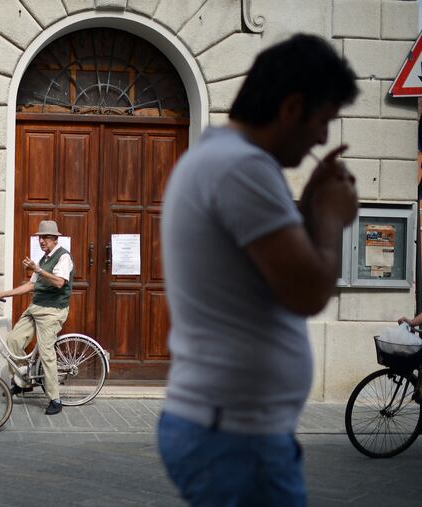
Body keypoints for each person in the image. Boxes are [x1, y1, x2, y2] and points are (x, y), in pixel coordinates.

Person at [158, 34, 359, 506]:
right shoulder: (241, 168)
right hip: (236, 438)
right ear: (292, 107)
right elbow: (307, 291)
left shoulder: (219, 159)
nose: (323, 139)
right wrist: (331, 216)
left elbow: (276, 273)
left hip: (229, 430)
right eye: (324, 121)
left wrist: (308, 202)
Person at [0, 220, 73, 415]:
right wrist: (3, 294)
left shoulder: (63, 258)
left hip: (52, 311)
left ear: (55, 239)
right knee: (13, 340)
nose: (41, 241)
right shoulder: (45, 258)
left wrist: (37, 269)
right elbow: (31, 285)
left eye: (45, 237)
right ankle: (23, 381)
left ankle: (55, 399)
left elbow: (59, 283)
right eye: (40, 237)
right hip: (35, 307)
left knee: (46, 354)